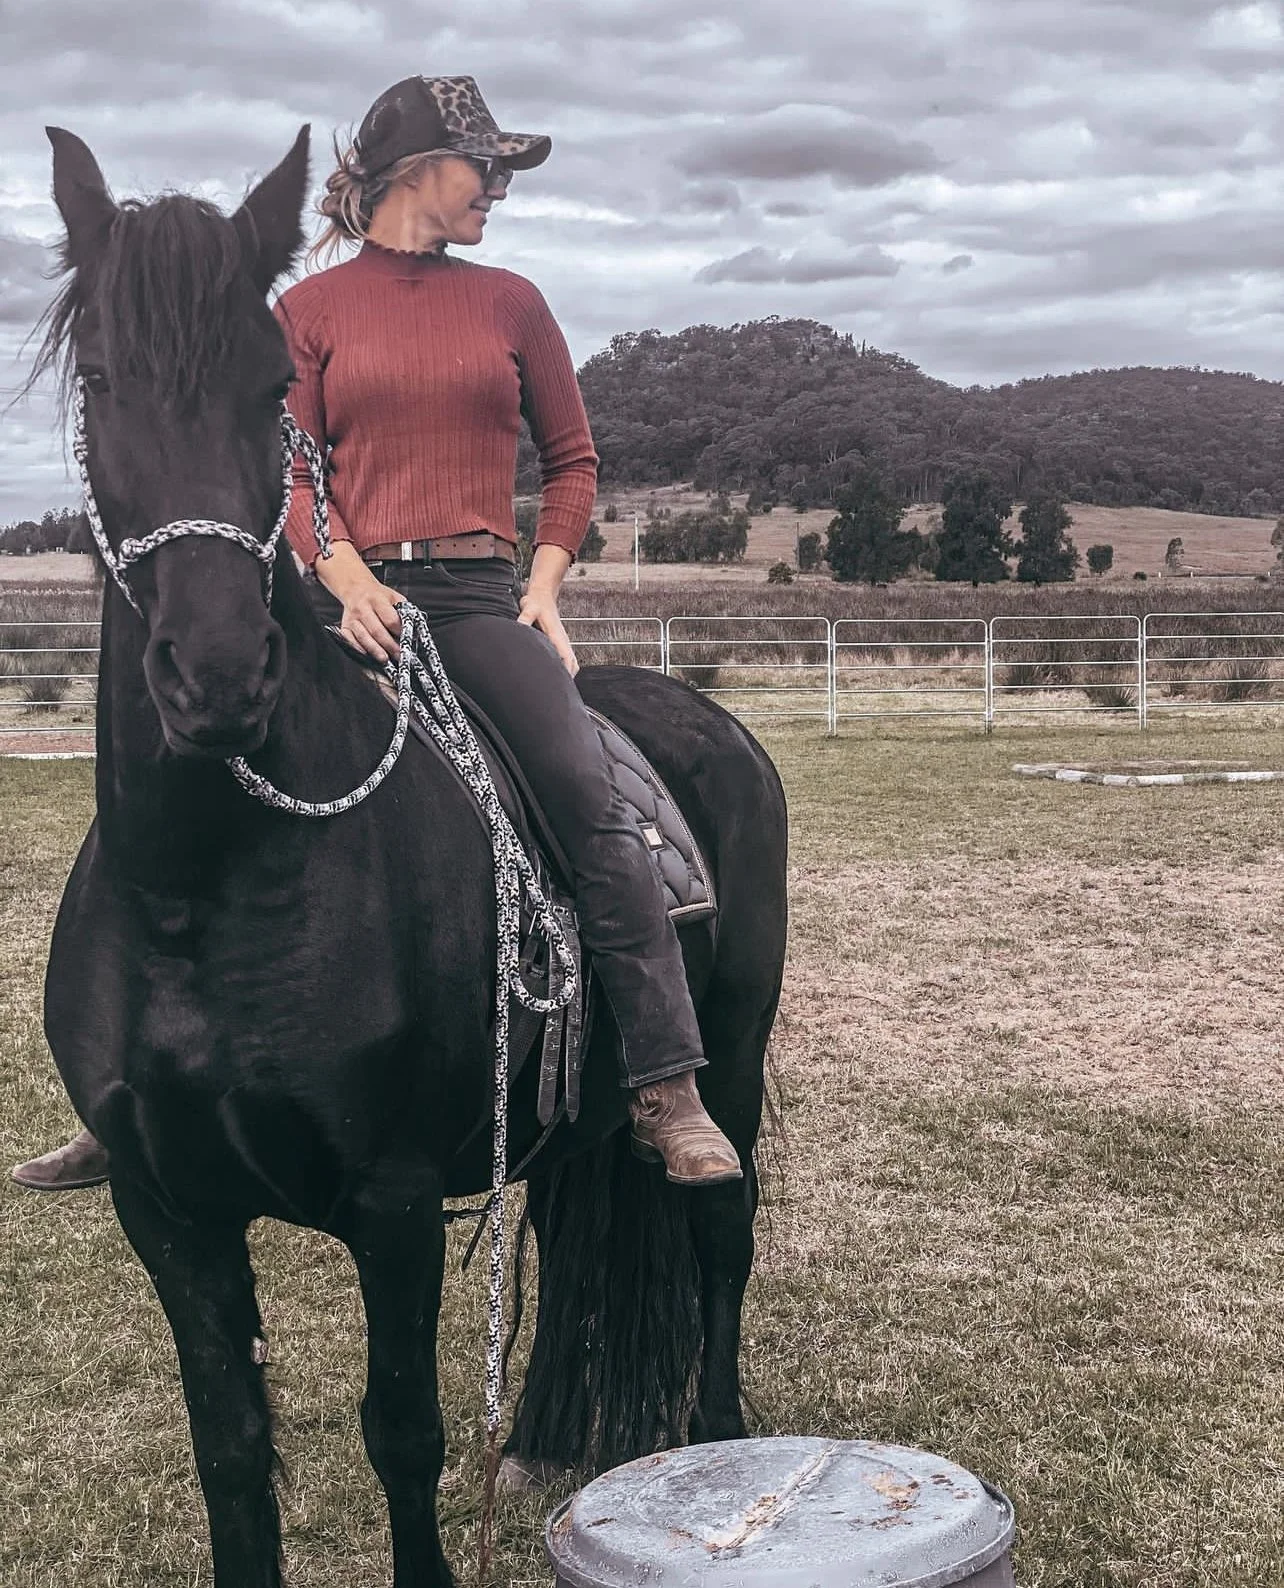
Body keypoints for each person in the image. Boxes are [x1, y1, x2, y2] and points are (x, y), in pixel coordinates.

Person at [13, 75, 740, 1193]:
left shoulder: (513, 303)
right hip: (338, 599)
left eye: (501, 171)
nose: (497, 187)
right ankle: (133, 1084)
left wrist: (544, 584)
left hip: (473, 601)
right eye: (482, 166)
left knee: (587, 796)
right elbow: (288, 466)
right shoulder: (304, 312)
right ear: (413, 171)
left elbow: (573, 460)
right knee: (166, 781)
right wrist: (342, 574)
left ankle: (664, 1077)